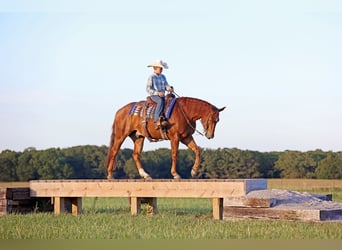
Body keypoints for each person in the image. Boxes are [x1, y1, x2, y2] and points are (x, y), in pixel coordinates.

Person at [146, 59, 174, 128]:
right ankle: (157, 119)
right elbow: (148, 89)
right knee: (160, 101)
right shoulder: (151, 77)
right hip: (154, 96)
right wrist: (157, 93)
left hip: (162, 95)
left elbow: (166, 85)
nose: (161, 69)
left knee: (172, 100)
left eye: (162, 68)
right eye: (160, 68)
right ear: (155, 68)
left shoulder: (163, 76)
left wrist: (169, 88)